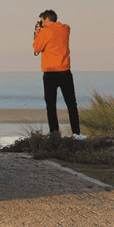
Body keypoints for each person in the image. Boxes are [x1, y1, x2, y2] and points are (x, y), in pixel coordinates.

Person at [33, 10, 85, 139]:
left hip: (50, 72)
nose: (42, 23)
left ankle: (54, 134)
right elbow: (61, 29)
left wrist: (38, 31)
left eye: (42, 20)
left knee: (51, 105)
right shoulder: (65, 29)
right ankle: (76, 133)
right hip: (65, 71)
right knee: (71, 103)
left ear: (47, 20)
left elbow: (36, 48)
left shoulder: (45, 32)